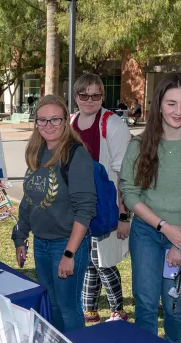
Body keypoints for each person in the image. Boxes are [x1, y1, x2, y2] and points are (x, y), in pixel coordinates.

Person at [120, 72, 181, 343]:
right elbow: (130, 194)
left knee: (175, 301)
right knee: (146, 302)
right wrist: (164, 227)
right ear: (159, 104)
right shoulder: (139, 146)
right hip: (147, 233)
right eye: (171, 103)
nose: (178, 111)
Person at [12, 95, 96, 332]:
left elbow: (85, 210)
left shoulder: (75, 155)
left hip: (67, 244)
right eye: (43, 120)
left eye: (55, 120)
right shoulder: (36, 152)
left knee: (68, 307)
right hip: (41, 244)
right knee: (53, 304)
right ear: (36, 123)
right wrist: (21, 236)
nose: (49, 125)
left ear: (65, 122)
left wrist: (69, 254)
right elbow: (29, 200)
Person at [70, 73, 132, 323]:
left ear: (103, 96)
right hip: (80, 204)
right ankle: (90, 310)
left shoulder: (113, 123)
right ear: (76, 97)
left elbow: (125, 172)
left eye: (96, 95)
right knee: (86, 260)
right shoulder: (72, 121)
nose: (89, 100)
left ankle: (118, 309)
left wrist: (124, 213)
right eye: (84, 94)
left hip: (106, 204)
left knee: (102, 260)